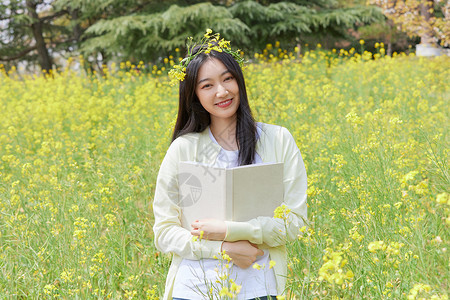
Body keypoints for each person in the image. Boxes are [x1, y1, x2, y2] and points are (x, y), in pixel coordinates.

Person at [153, 31, 307, 300]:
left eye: (228, 79)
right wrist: (223, 248)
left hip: (261, 287)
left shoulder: (278, 140)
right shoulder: (183, 149)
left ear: (240, 82)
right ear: (194, 95)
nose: (222, 91)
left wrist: (230, 231)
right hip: (195, 289)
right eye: (207, 85)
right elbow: (165, 232)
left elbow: (295, 224)